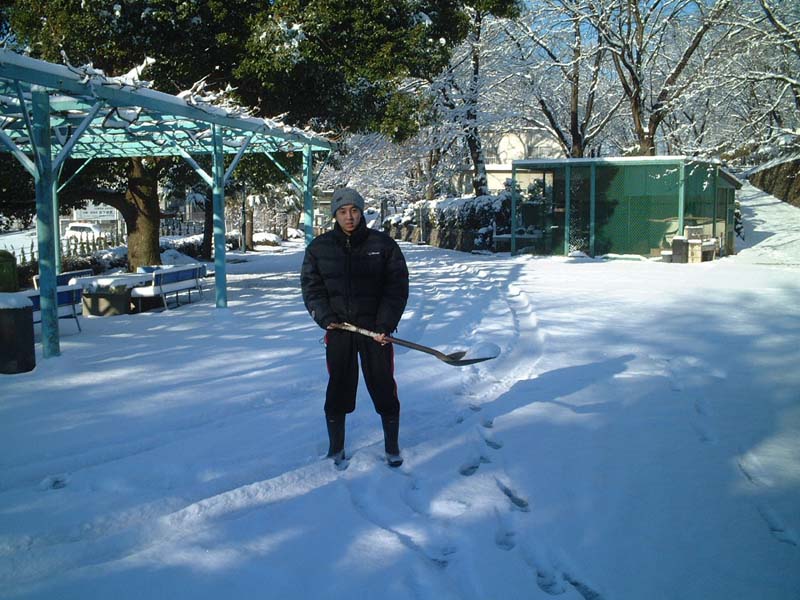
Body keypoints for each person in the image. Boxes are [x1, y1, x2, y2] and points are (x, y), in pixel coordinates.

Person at [301, 187, 409, 468]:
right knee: (338, 388)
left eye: (354, 210)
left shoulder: (383, 246)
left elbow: (396, 287)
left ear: (361, 212)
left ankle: (392, 446)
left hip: (376, 332)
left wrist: (385, 323)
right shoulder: (319, 249)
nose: (349, 217)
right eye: (342, 211)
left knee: (384, 386)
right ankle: (335, 449)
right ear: (334, 215)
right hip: (339, 331)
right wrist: (325, 317)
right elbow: (312, 289)